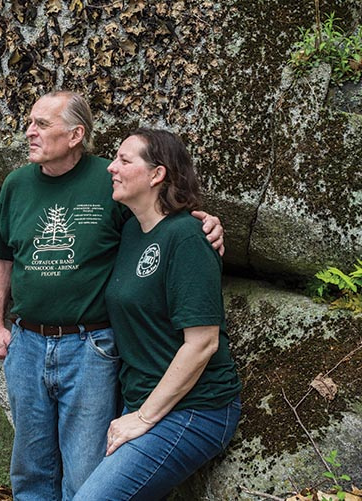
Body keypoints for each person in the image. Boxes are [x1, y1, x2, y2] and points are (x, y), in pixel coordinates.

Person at [0, 91, 225, 501]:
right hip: (26, 343)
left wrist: (207, 224)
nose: (30, 131)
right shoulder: (17, 184)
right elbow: (2, 257)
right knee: (30, 468)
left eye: (42, 123)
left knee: (85, 473)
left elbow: (164, 223)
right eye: (30, 122)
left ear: (76, 134)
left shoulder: (111, 186)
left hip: (90, 346)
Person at [73, 129, 242, 500]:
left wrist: (143, 418)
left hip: (197, 409)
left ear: (156, 174)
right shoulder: (132, 229)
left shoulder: (188, 238)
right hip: (141, 398)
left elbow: (202, 344)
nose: (111, 168)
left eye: (124, 160)